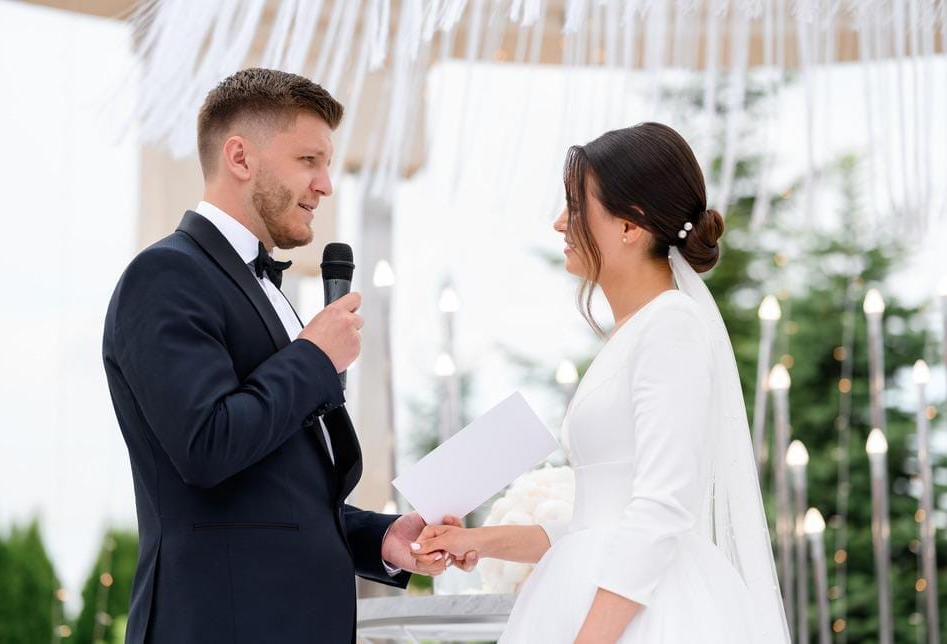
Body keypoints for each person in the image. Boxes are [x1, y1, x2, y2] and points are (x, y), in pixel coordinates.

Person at [102, 68, 473, 644]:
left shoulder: (263, 287)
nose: (326, 184)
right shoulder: (166, 275)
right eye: (308, 160)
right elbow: (206, 447)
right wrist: (313, 358)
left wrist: (379, 539)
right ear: (240, 157)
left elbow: (273, 493)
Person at [409, 123, 790, 643]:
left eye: (575, 206)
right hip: (593, 588)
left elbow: (661, 508)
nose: (560, 222)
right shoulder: (633, 332)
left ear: (630, 227)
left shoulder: (672, 326)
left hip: (646, 612)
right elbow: (593, 528)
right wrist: (474, 538)